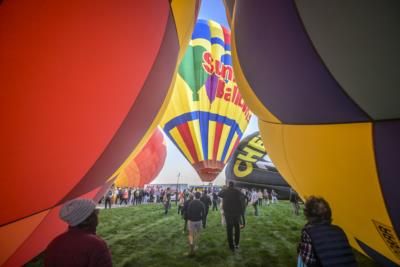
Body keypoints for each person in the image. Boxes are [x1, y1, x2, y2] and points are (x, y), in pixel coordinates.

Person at [45, 198, 112, 267]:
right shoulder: (97, 245)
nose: (98, 215)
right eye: (96, 212)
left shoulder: (55, 242)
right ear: (88, 219)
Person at [297, 196, 357, 267]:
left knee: (301, 256)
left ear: (308, 215)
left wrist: (300, 249)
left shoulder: (308, 233)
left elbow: (308, 261)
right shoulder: (339, 230)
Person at [218, 181, 245, 252]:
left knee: (229, 230)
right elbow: (244, 197)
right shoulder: (237, 191)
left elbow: (219, 194)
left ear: (228, 185)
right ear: (234, 185)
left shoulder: (225, 191)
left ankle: (231, 246)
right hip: (237, 213)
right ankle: (237, 243)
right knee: (237, 229)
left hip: (228, 213)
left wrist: (225, 188)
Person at [186, 192, 205, 256]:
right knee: (197, 233)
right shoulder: (201, 203)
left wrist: (189, 218)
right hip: (199, 220)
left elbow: (188, 211)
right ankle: (195, 245)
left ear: (194, 196)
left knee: (191, 234)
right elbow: (204, 213)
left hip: (191, 220)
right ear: (200, 196)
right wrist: (201, 218)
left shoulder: (191, 203)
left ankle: (191, 244)